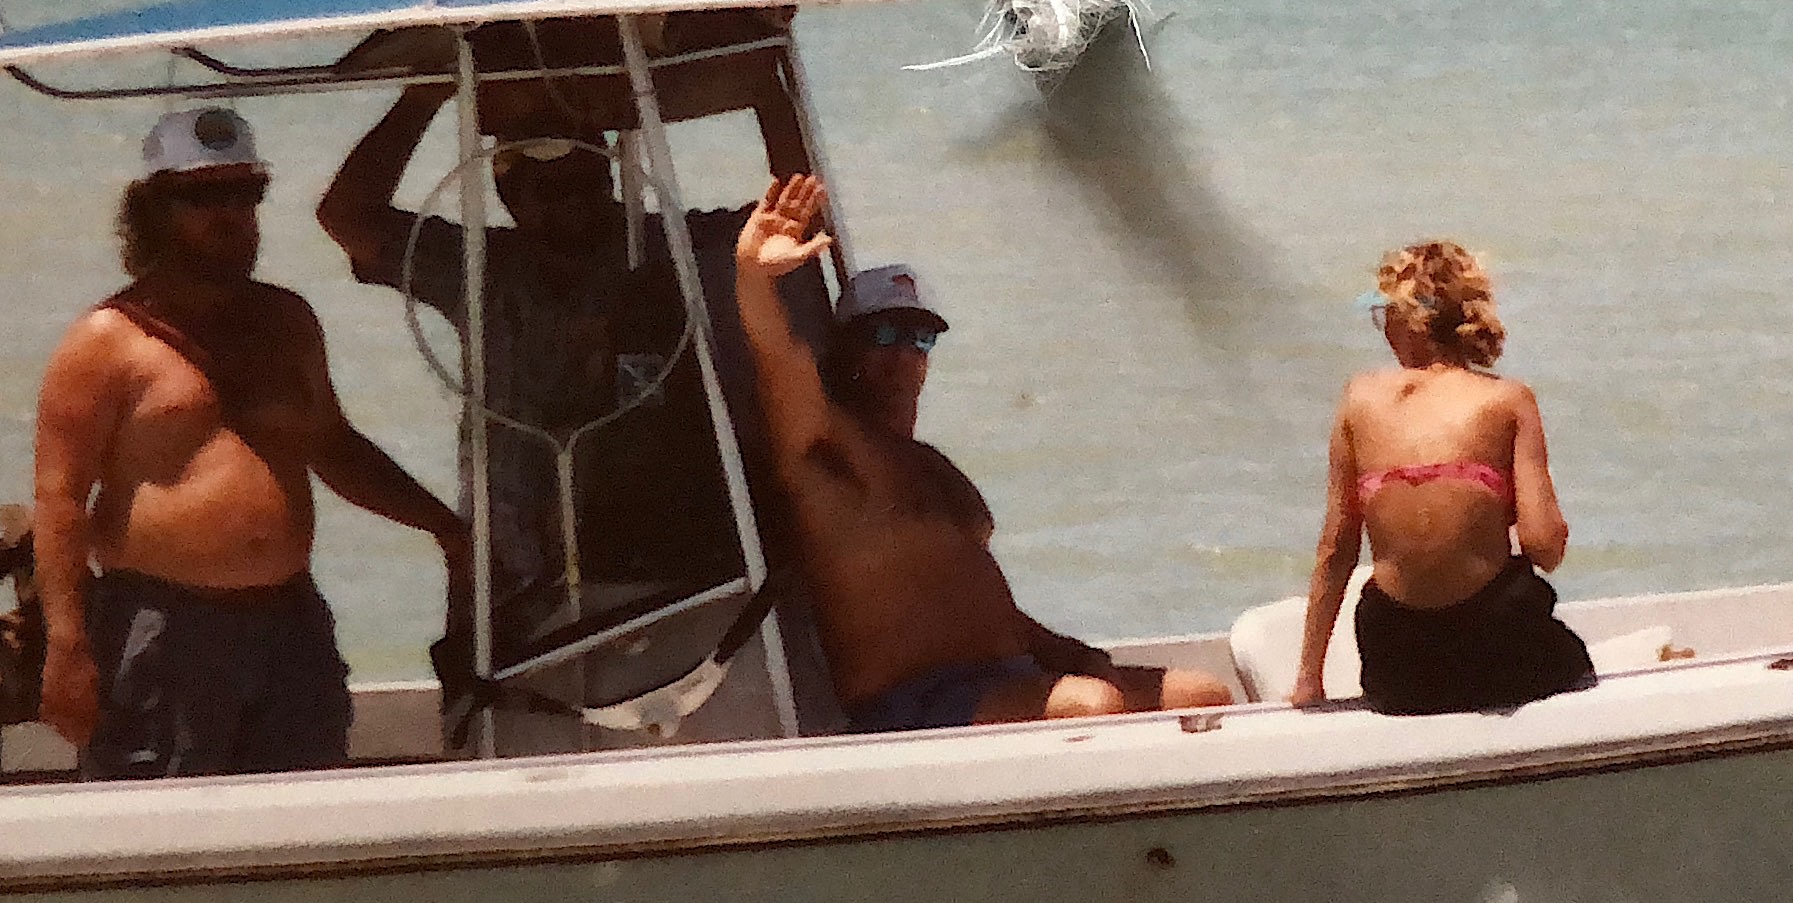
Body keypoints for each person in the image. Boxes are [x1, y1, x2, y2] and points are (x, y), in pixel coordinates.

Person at [33, 102, 469, 778]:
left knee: (302, 813)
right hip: (164, 625)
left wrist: (444, 527)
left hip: (288, 622)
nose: (231, 213)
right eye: (204, 195)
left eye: (247, 191)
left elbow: (334, 447)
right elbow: (59, 499)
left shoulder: (287, 320)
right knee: (160, 828)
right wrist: (66, 647)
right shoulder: (106, 340)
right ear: (153, 209)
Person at [731, 175, 1234, 732]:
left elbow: (974, 597)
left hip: (1011, 675)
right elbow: (780, 359)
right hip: (911, 702)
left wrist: (1066, 652)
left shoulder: (933, 468)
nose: (902, 355)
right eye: (882, 336)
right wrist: (754, 277)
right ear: (843, 349)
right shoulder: (828, 455)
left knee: (1202, 692)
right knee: (1094, 707)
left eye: (918, 339)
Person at [314, 83, 738, 628]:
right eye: (544, 188)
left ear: (607, 175)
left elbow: (793, 219)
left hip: (659, 552)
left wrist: (759, 92)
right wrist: (420, 99)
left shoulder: (664, 245)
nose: (569, 201)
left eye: (580, 181)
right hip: (514, 563)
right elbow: (344, 217)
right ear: (508, 193)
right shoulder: (478, 266)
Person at [1293, 239, 1594, 716]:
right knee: (1572, 664)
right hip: (1495, 640)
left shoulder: (1358, 399)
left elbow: (1337, 548)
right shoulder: (1508, 400)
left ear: (1407, 319)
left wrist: (1308, 680)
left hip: (1397, 661)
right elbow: (1544, 546)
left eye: (1382, 314)